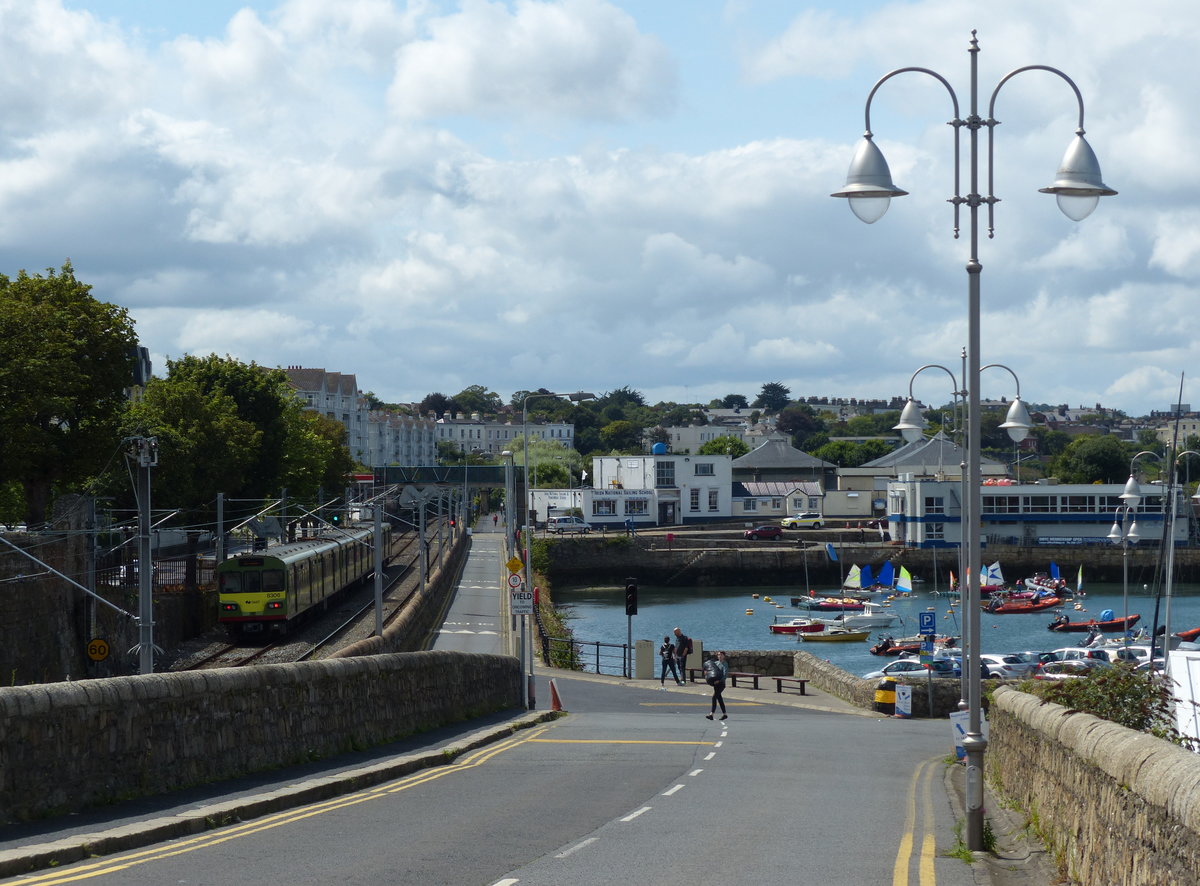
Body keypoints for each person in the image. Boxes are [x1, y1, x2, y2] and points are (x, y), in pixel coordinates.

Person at [704, 651, 729, 720]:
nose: (719, 656)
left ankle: (711, 714)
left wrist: (719, 681)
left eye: (721, 655)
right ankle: (725, 714)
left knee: (714, 697)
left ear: (724, 656)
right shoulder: (716, 663)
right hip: (715, 684)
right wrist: (706, 672)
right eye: (718, 655)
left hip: (721, 684)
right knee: (719, 699)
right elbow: (710, 669)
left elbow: (725, 675)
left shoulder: (725, 664)